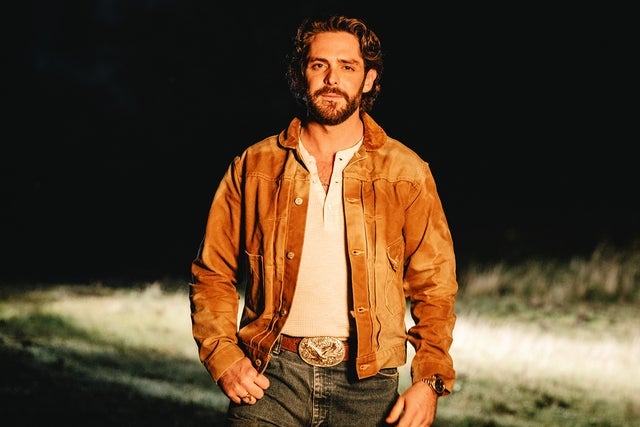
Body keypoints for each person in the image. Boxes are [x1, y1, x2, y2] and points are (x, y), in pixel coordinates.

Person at [190, 14, 458, 426]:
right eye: (320, 65)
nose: (332, 79)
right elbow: (212, 272)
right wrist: (223, 355)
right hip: (271, 378)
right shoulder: (254, 166)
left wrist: (429, 379)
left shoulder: (406, 172)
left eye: (348, 67)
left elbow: (435, 285)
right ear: (302, 74)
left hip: (368, 387)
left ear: (368, 79)